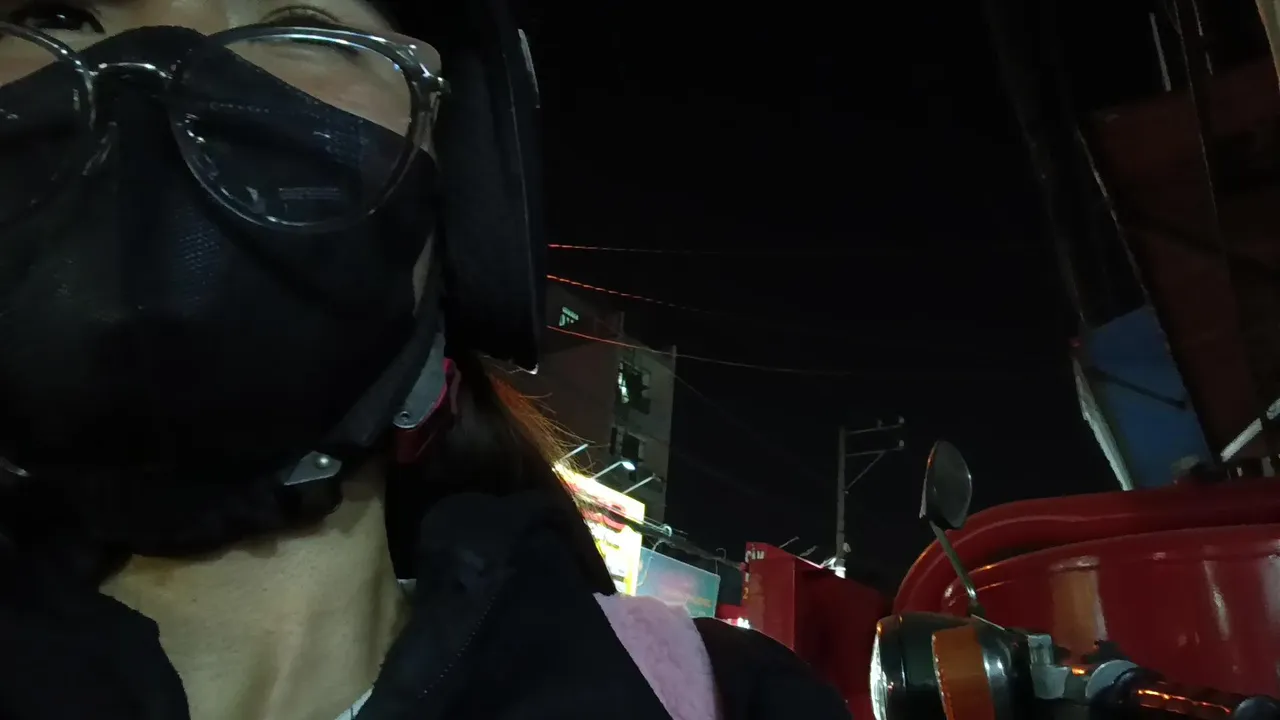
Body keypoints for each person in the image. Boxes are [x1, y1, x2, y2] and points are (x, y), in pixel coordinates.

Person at [0, 2, 853, 719]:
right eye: (56, 14)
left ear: (463, 192)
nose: (156, 63)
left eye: (302, 22)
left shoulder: (723, 703)